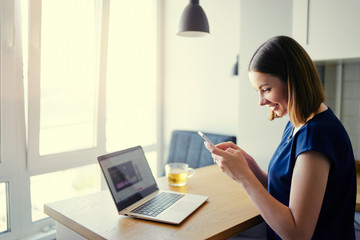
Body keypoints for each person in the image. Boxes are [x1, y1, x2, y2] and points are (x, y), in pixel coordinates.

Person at [204, 36, 356, 240]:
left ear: (294, 82)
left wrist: (244, 177)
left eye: (266, 89)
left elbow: (297, 234)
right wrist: (251, 168)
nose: (261, 101)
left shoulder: (317, 136)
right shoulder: (297, 123)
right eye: (258, 91)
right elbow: (286, 190)